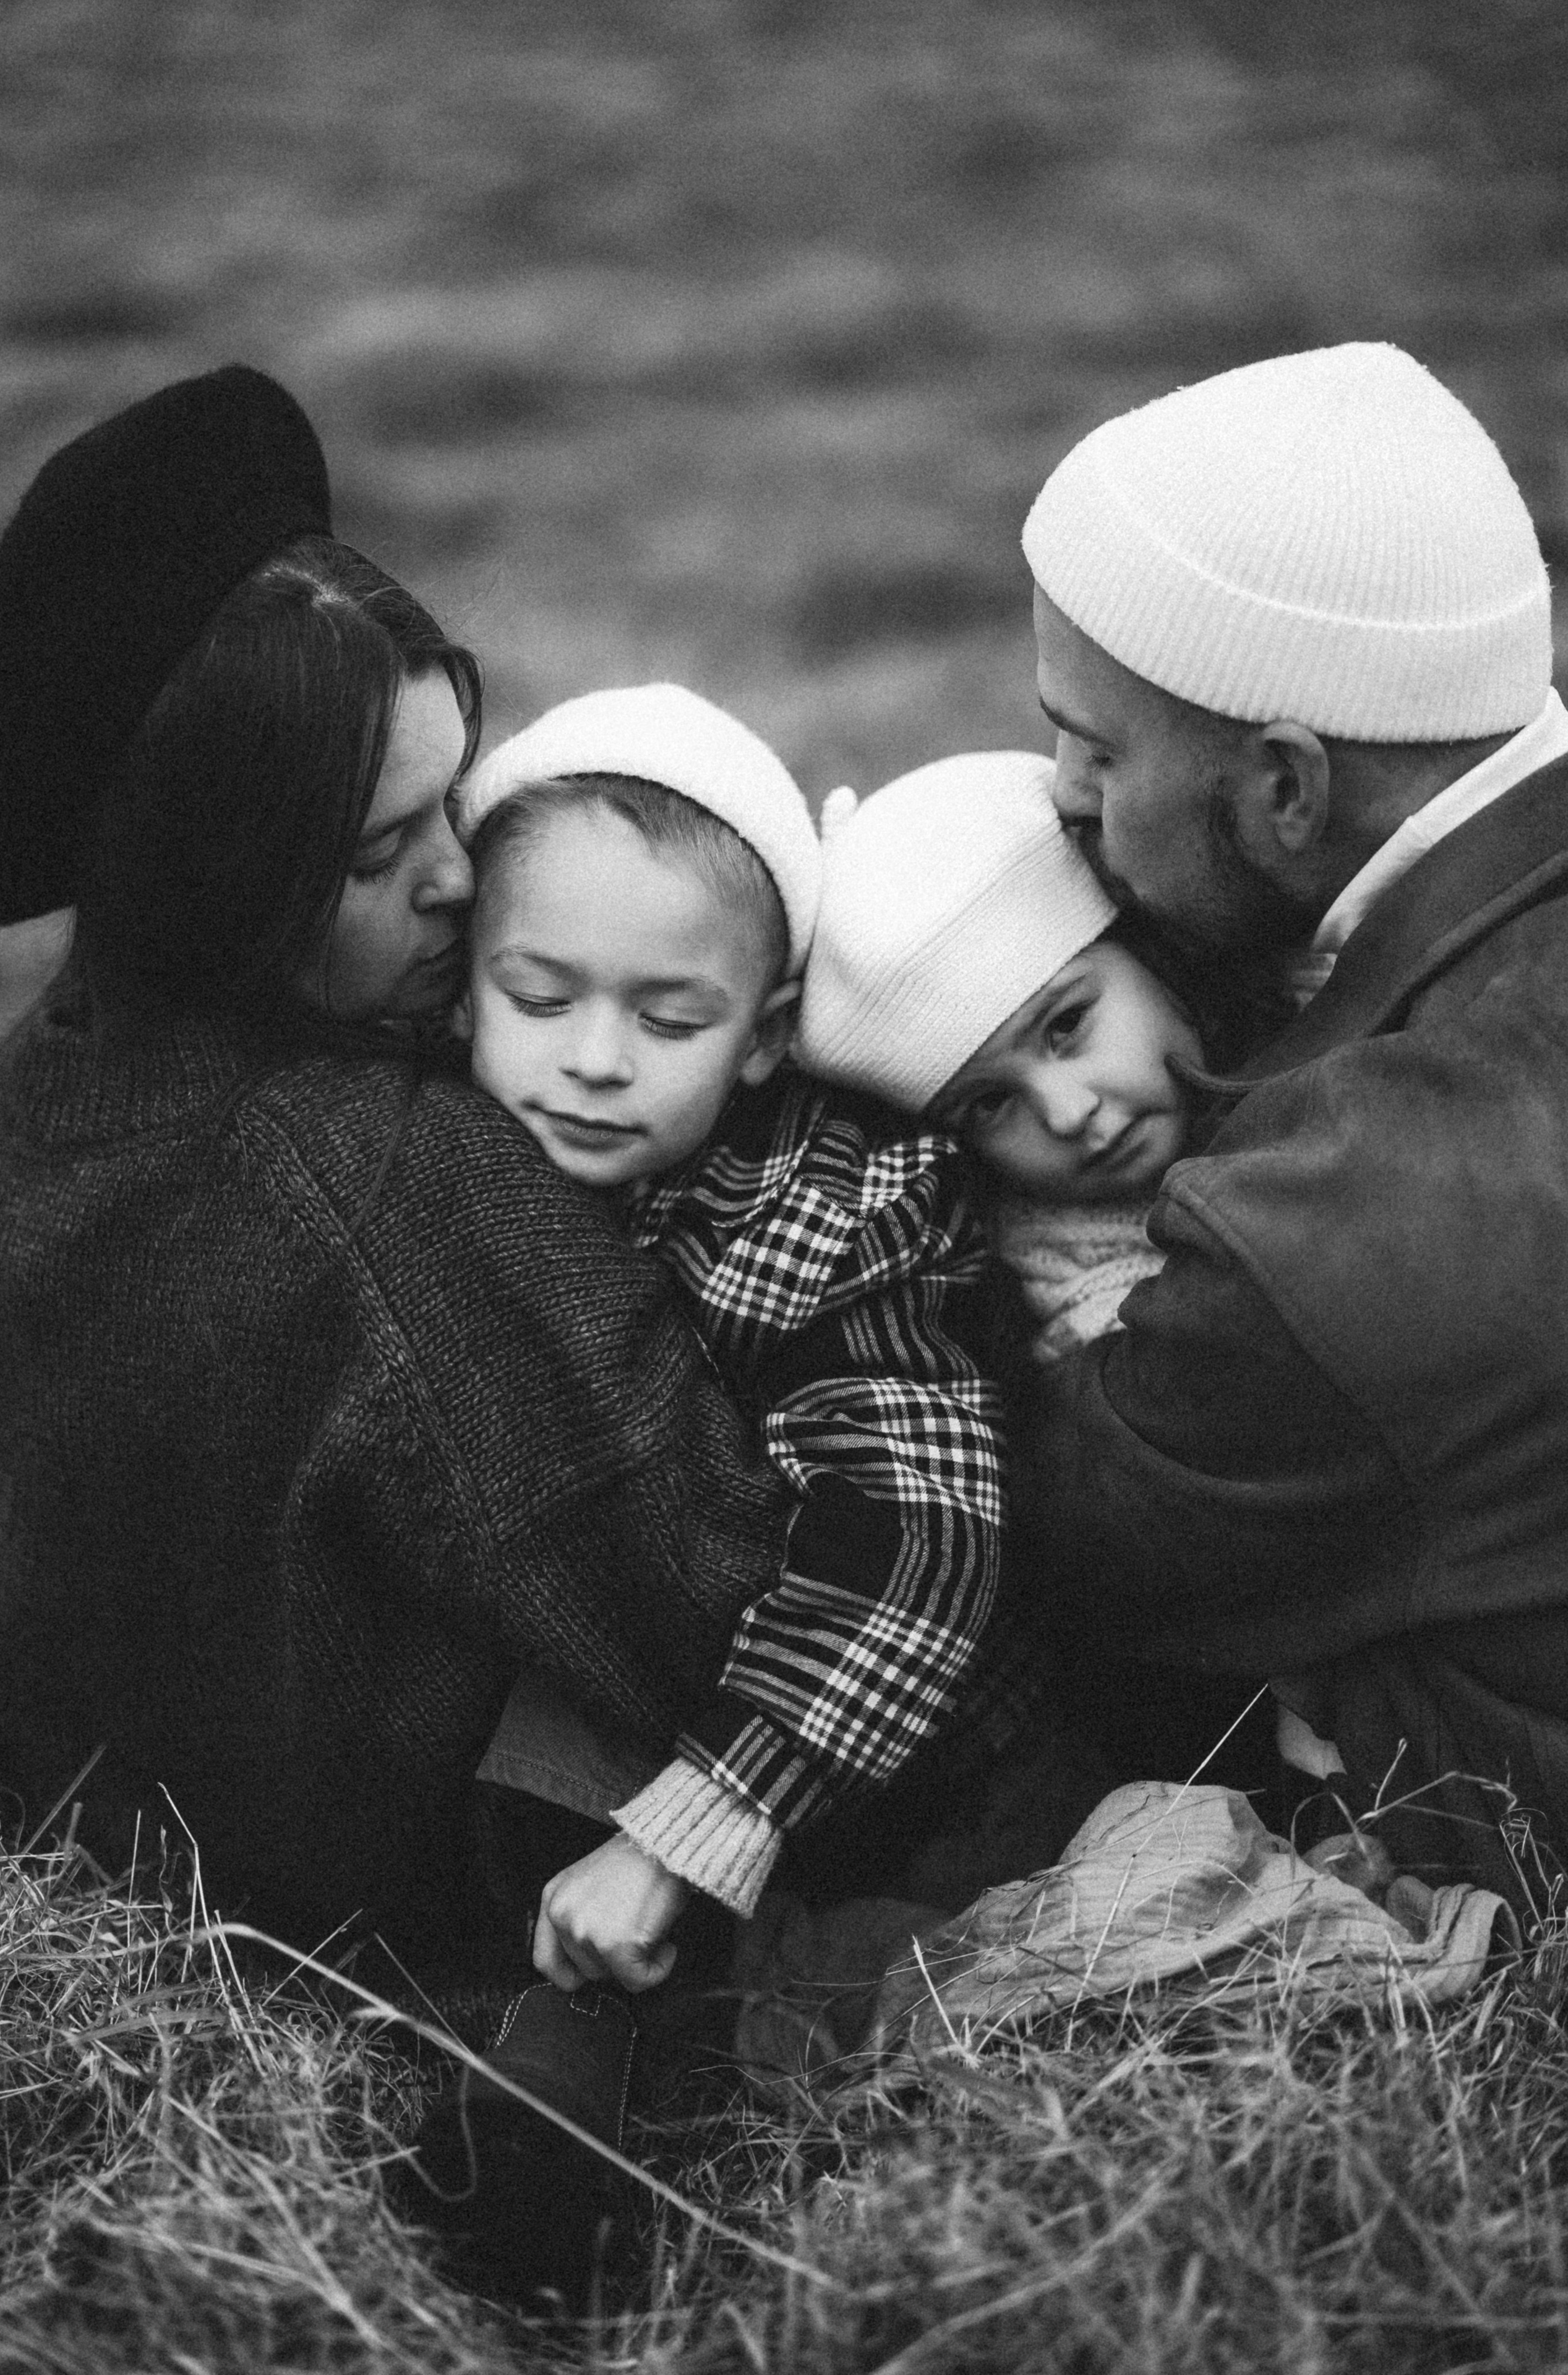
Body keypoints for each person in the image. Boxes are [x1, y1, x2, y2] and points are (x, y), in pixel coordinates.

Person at [0, 368, 800, 2300]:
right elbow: (711, 1592)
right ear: (218, 877)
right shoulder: (387, 1185)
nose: (460, 875)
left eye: (457, 795)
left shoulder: (37, 1094)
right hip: (436, 1977)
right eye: (375, 855)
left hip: (153, 1923)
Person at [1005, 339, 1568, 1911]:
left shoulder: (1339, 1211)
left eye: (1093, 747)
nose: (1053, 791)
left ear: (1283, 790)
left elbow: (1056, 1538)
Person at [452, 685, 1006, 1998]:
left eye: (668, 1022)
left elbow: (919, 1533)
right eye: (537, 996)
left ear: (761, 1038)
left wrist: (703, 1817)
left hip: (780, 1721)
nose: (593, 1059)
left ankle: (573, 2056)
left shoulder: (833, 1216)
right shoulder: (421, 1132)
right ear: (460, 985)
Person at [795, 748, 1206, 1369]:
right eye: (990, 1103)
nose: (1068, 1114)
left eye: (1066, 1024)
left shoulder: (1338, 1017)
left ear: (1147, 944)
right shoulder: (1088, 1318)